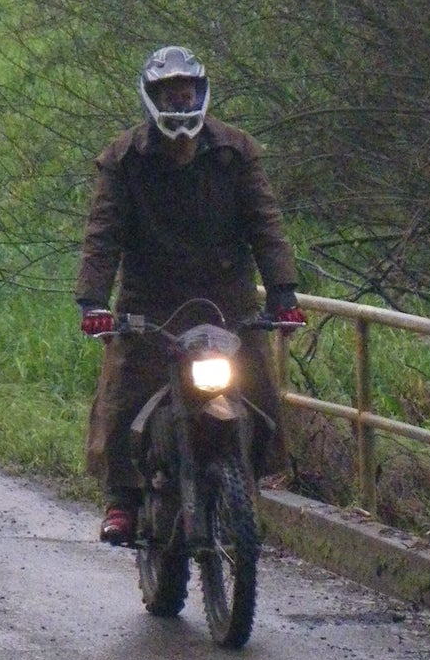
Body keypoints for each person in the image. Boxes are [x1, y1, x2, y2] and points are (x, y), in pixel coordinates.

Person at [75, 46, 305, 543]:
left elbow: (266, 224)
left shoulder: (236, 152)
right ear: (151, 98)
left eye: (187, 91)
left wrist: (283, 293)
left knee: (260, 390)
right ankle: (122, 497)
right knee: (125, 390)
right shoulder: (123, 158)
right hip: (149, 300)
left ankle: (251, 481)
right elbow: (103, 234)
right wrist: (92, 302)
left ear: (201, 92)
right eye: (169, 94)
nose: (180, 102)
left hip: (227, 297)